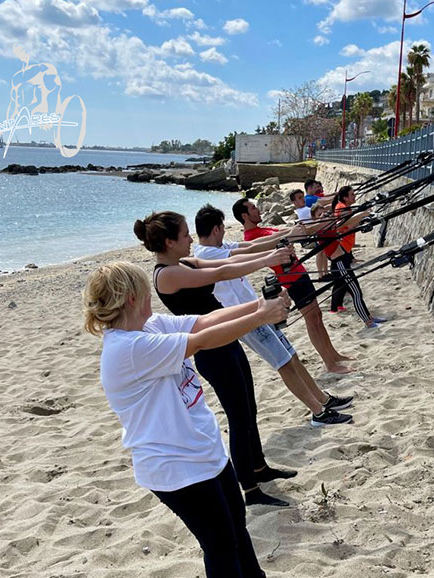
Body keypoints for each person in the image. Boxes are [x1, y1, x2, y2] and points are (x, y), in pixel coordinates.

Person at [82, 261, 287, 577]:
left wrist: (259, 305)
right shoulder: (127, 348)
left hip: (205, 452)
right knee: (220, 545)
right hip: (174, 466)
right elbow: (202, 342)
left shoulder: (148, 326)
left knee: (236, 530)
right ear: (133, 297)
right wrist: (261, 317)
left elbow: (203, 323)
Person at [134, 211, 296, 507]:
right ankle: (250, 488)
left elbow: (228, 263)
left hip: (226, 338)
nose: (190, 239)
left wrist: (270, 254)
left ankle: (259, 467)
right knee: (239, 417)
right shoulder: (167, 274)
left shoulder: (184, 262)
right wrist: (269, 260)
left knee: (250, 408)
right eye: (185, 235)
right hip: (210, 349)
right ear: (169, 242)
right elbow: (220, 274)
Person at [193, 204, 354, 426]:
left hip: (259, 311)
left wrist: (286, 235)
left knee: (291, 356)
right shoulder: (207, 253)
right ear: (216, 229)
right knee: (284, 362)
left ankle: (323, 400)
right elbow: (245, 254)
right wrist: (272, 254)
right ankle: (318, 413)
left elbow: (251, 245)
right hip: (246, 321)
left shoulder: (218, 246)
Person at [231, 198, 354, 373]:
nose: (258, 210)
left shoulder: (262, 229)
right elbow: (283, 239)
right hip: (291, 279)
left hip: (299, 273)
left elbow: (287, 234)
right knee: (312, 320)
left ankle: (333, 355)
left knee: (317, 316)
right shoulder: (252, 236)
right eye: (253, 208)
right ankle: (330, 364)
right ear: (245, 215)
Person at [325, 186, 387, 328]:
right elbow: (343, 226)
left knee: (353, 289)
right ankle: (368, 322)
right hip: (340, 259)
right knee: (355, 291)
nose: (354, 197)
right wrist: (362, 216)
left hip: (344, 255)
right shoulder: (342, 209)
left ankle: (369, 317)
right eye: (352, 195)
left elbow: (348, 226)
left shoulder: (342, 208)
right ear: (345, 197)